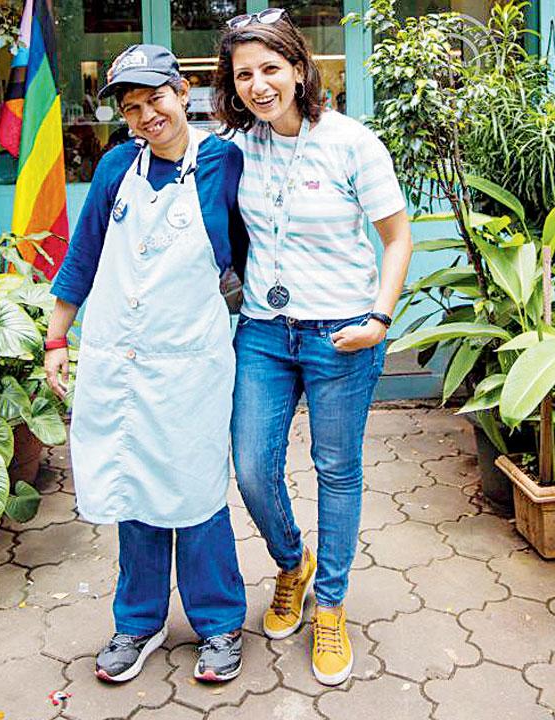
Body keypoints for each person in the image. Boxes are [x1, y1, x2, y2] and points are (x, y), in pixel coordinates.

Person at [212, 9, 412, 686]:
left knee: (336, 469)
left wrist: (380, 317)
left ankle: (331, 603)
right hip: (266, 334)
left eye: (270, 68)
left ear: (299, 69)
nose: (258, 84)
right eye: (244, 74)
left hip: (343, 333)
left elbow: (396, 238)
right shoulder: (236, 145)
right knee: (250, 465)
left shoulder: (352, 142)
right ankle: (290, 562)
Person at [44, 44, 250, 685]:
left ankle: (218, 621)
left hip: (190, 359)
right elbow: (81, 258)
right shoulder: (114, 169)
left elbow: (253, 250)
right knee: (133, 491)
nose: (145, 116)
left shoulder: (226, 161)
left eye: (154, 99)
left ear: (182, 93)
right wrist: (56, 341)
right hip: (121, 359)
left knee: (196, 491)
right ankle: (139, 622)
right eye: (131, 108)